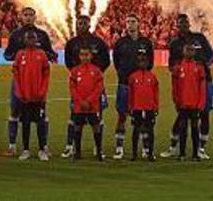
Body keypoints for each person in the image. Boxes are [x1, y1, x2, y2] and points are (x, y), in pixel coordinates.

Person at [2, 6, 57, 156]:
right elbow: (7, 55)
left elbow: (51, 52)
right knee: (15, 111)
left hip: (38, 80)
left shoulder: (42, 35)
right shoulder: (15, 35)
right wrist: (18, 55)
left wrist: (49, 55)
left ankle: (44, 146)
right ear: (21, 16)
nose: (28, 17)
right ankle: (12, 145)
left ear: (35, 17)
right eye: (25, 14)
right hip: (20, 79)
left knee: (42, 113)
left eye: (30, 15)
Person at [163, 14, 213, 159]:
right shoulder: (174, 43)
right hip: (184, 82)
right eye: (180, 23)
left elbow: (212, 56)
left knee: (205, 113)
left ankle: (201, 149)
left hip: (205, 80)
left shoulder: (199, 38)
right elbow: (171, 64)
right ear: (177, 25)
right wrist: (179, 70)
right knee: (182, 114)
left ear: (189, 23)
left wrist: (203, 66)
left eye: (185, 22)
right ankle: (173, 146)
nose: (184, 25)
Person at [61, 15, 110, 157]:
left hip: (95, 84)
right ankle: (70, 146)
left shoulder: (99, 42)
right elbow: (68, 62)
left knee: (98, 116)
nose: (82, 25)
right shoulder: (71, 43)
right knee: (74, 116)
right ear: (77, 25)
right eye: (80, 23)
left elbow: (106, 61)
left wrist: (95, 74)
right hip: (78, 84)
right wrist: (78, 74)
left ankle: (97, 148)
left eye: (85, 23)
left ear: (89, 25)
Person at [111, 15, 154, 159]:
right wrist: (124, 74)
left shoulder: (146, 42)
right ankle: (119, 148)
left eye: (133, 22)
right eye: (128, 22)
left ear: (139, 24)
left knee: (142, 118)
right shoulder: (120, 42)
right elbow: (116, 62)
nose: (130, 24)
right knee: (122, 116)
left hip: (141, 86)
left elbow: (150, 63)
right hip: (124, 84)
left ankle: (145, 148)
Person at [13, 31, 51, 161]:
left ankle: (42, 149)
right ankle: (26, 150)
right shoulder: (20, 55)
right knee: (25, 124)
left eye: (33, 38)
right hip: (24, 97)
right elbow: (16, 76)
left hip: (39, 97)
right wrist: (19, 92)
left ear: (36, 40)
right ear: (24, 40)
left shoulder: (41, 54)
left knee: (40, 123)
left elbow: (46, 75)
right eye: (28, 38)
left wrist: (42, 92)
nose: (30, 41)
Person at [67, 45, 106, 161]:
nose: (85, 57)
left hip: (93, 106)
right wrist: (80, 101)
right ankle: (77, 152)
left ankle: (99, 151)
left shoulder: (97, 71)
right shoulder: (75, 71)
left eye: (87, 55)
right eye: (82, 55)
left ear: (91, 56)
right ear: (79, 56)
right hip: (80, 106)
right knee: (78, 127)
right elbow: (72, 88)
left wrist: (89, 101)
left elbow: (99, 88)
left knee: (96, 127)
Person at [171, 43, 206, 161]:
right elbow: (174, 86)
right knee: (183, 129)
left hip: (195, 104)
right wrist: (176, 101)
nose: (189, 52)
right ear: (183, 51)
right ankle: (182, 154)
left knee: (195, 129)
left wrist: (201, 103)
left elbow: (202, 87)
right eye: (187, 50)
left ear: (194, 52)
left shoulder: (199, 67)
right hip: (182, 104)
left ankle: (195, 154)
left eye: (192, 50)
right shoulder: (178, 67)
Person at [127, 52, 158, 161]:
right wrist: (130, 106)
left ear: (148, 63)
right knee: (136, 130)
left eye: (144, 61)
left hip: (149, 107)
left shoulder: (152, 76)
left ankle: (150, 153)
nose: (142, 64)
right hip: (137, 107)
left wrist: (155, 106)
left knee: (150, 131)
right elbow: (130, 93)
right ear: (137, 63)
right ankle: (134, 153)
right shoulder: (133, 77)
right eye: (140, 61)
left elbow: (155, 92)